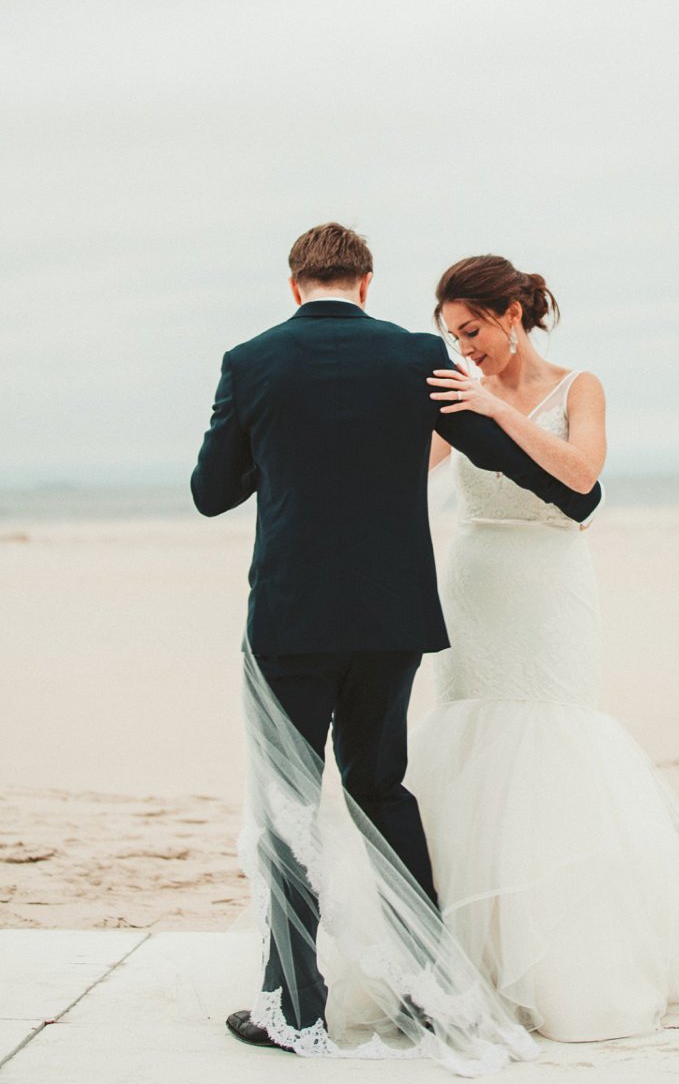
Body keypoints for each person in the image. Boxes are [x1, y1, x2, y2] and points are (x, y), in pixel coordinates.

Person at [190, 223, 602, 1069]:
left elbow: (210, 492)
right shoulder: (417, 356)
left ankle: (298, 1014)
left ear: (296, 283)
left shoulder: (250, 360)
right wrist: (573, 493)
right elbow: (512, 458)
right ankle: (430, 997)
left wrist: (287, 452)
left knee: (289, 811)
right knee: (382, 792)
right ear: (367, 283)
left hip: (290, 623)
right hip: (391, 626)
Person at [406, 253, 679, 1042]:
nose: (467, 350)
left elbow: (581, 472)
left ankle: (570, 968)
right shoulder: (461, 390)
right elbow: (404, 468)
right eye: (452, 338)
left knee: (554, 744)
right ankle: (469, 964)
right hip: (474, 584)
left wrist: (494, 412)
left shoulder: (578, 386)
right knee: (468, 742)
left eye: (473, 331)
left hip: (552, 586)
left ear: (512, 316)